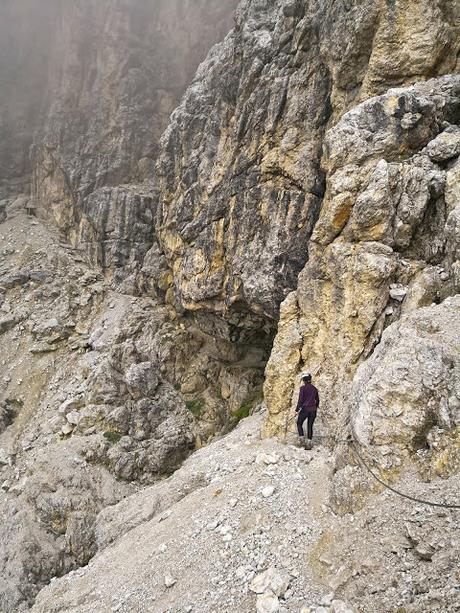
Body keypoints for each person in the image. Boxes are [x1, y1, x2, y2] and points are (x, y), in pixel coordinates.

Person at [295, 372, 319, 449]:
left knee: (299, 423)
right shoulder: (315, 389)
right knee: (310, 426)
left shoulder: (302, 388)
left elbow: (301, 400)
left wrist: (297, 409)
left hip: (305, 409)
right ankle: (308, 444)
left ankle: (302, 441)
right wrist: (315, 407)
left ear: (304, 380)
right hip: (313, 410)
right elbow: (317, 400)